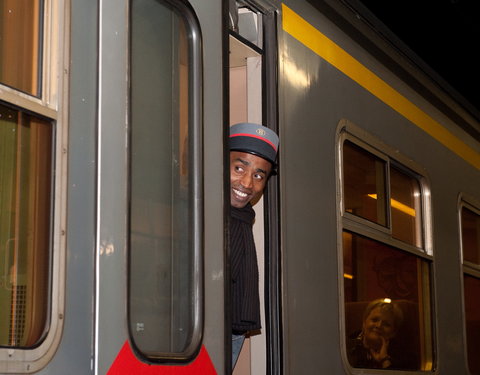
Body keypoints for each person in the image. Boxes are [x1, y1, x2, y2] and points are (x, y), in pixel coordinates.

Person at [229, 122, 279, 369]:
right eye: (239, 167)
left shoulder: (243, 219)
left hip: (232, 332)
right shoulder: (196, 212)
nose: (247, 184)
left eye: (259, 175)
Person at [347, 299, 404, 369]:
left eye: (386, 324)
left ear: (393, 332)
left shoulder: (403, 357)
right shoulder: (345, 348)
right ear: (364, 322)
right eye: (375, 320)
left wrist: (385, 360)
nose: (379, 326)